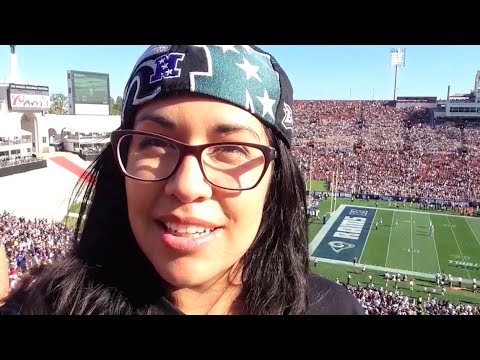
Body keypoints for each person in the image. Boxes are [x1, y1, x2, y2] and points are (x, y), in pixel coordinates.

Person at [0, 45, 364, 315]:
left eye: (231, 148)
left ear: (275, 179)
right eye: (155, 143)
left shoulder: (333, 309)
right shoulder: (49, 307)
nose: (188, 185)